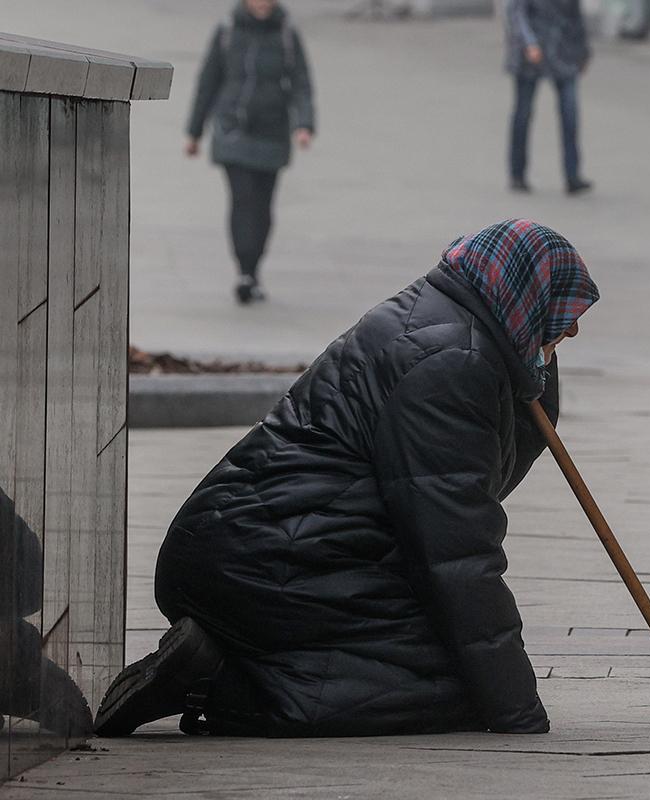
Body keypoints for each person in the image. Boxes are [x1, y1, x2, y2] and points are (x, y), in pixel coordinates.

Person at [93, 219, 599, 737]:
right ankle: (213, 681)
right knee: (454, 687)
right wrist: (518, 716)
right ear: (523, 296)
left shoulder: (449, 322)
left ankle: (212, 655)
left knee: (448, 659)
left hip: (277, 552)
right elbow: (456, 553)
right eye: (562, 310)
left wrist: (531, 368)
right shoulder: (451, 362)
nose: (574, 328)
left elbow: (462, 505)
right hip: (268, 566)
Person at [185, 0, 316, 305]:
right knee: (243, 199)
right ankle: (244, 270)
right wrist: (194, 132)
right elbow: (208, 81)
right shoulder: (227, 30)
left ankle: (253, 268)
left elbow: (301, 82)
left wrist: (304, 124)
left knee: (263, 205)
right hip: (233, 130)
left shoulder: (286, 33)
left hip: (273, 131)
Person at [505, 0, 593, 194]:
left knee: (570, 113)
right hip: (531, 54)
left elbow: (575, 15)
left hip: (564, 51)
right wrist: (529, 43)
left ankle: (572, 175)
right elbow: (517, 12)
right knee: (523, 113)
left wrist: (584, 50)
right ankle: (517, 173)